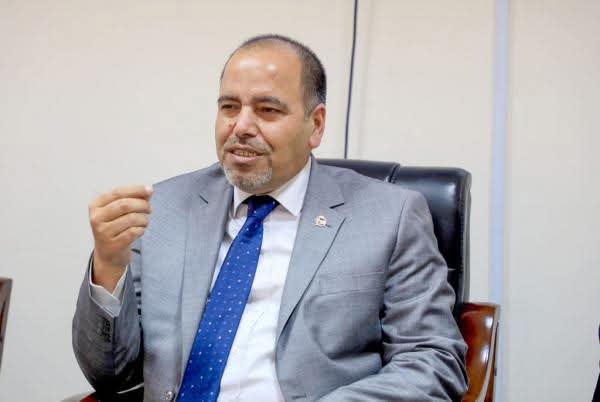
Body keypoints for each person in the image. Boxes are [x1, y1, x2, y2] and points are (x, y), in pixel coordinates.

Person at [73, 34, 468, 401]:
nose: (241, 126)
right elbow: (112, 376)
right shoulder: (165, 209)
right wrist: (109, 265)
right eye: (229, 107)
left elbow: (432, 362)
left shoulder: (389, 216)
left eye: (267, 110)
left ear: (315, 125)